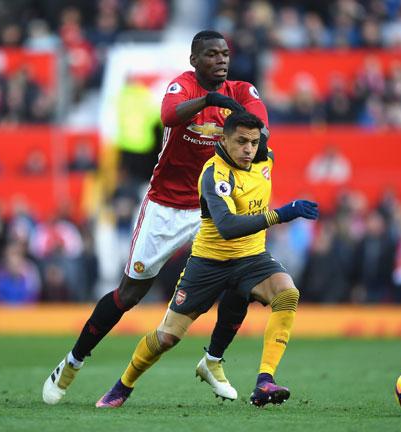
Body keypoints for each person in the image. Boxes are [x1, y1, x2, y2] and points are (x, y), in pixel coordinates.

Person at [43, 30, 270, 404]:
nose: (221, 60)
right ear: (194, 60)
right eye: (212, 54)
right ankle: (73, 360)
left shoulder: (243, 91)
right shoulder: (181, 87)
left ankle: (213, 360)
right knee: (131, 292)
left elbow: (261, 129)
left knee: (240, 277)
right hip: (165, 206)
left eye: (225, 53)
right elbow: (168, 115)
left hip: (211, 208)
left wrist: (238, 114)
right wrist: (207, 101)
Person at [95, 112, 318, 408]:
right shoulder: (214, 175)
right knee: (167, 337)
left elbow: (260, 131)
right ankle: (122, 385)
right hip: (209, 262)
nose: (248, 149)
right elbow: (226, 227)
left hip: (251, 257)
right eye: (240, 142)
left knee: (287, 293)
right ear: (223, 140)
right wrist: (281, 214)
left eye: (253, 142)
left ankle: (265, 381)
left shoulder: (264, 158)